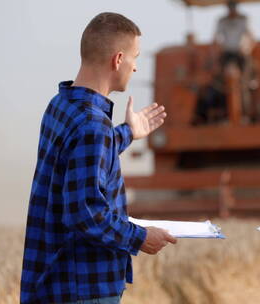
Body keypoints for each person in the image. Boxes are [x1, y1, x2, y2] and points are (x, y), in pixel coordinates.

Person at [20, 13, 177, 304]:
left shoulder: (61, 105)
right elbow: (86, 214)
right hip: (83, 289)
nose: (136, 66)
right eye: (135, 57)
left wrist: (127, 133)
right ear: (118, 60)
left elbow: (79, 154)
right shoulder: (94, 127)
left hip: (53, 283)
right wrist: (140, 237)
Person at [213, 0, 255, 73]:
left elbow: (250, 36)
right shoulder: (222, 21)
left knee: (246, 67)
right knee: (218, 68)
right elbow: (216, 37)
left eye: (233, 7)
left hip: (239, 51)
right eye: (230, 7)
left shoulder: (243, 19)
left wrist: (247, 48)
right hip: (226, 51)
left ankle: (246, 81)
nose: (232, 10)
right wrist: (217, 48)